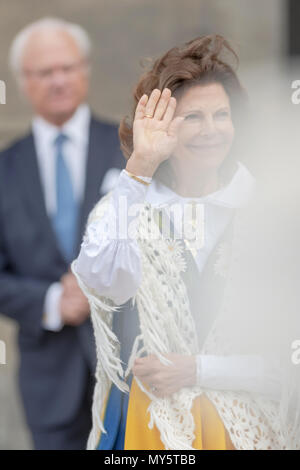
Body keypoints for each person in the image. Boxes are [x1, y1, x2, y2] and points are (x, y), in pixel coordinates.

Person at [73, 35, 289, 450]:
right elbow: (100, 279)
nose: (211, 131)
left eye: (221, 115)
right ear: (161, 124)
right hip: (150, 429)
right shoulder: (129, 204)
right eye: (193, 117)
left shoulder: (269, 214)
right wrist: (140, 164)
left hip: (245, 431)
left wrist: (198, 371)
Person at [0, 18, 123, 450]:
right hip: (48, 382)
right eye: (44, 72)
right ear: (22, 81)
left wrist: (102, 287)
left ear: (85, 69)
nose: (58, 80)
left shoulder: (132, 150)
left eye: (67, 67)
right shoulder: (5, 168)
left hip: (130, 375)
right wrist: (53, 300)